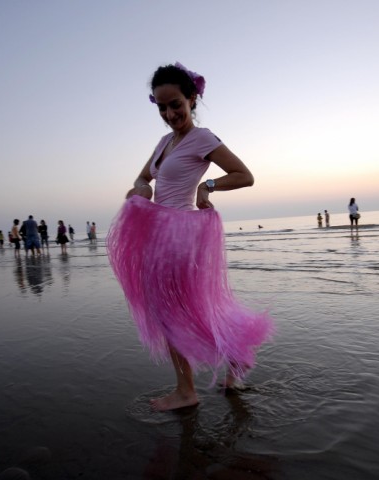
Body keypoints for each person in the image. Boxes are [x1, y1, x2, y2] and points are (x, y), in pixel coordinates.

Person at [106, 62, 274, 411]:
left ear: (192, 99)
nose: (169, 113)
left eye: (176, 105)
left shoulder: (203, 138)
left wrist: (207, 185)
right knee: (186, 311)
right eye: (162, 107)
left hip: (181, 236)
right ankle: (236, 356)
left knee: (171, 314)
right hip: (156, 236)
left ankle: (187, 391)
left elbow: (245, 175)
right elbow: (141, 180)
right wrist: (140, 191)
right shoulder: (163, 143)